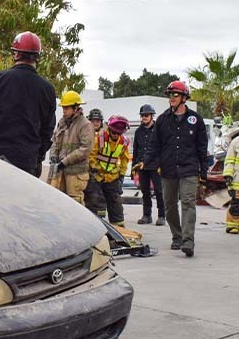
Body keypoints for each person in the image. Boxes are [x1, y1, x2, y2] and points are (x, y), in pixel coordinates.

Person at [0, 31, 56, 176]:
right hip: (26, 161)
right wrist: (37, 157)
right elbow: (47, 130)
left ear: (16, 54)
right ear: (37, 57)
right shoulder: (47, 89)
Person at [135, 81, 208, 257]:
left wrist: (203, 173)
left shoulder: (196, 120)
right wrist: (145, 161)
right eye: (170, 95)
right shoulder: (162, 120)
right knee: (169, 205)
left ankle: (188, 240)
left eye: (175, 95)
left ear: (184, 98)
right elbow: (154, 145)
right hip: (168, 170)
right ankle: (177, 236)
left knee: (188, 203)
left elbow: (202, 148)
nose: (171, 98)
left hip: (189, 169)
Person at [47, 91, 93, 204]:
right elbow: (54, 140)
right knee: (57, 201)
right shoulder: (62, 122)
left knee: (75, 203)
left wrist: (65, 161)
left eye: (66, 108)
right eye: (63, 108)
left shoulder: (85, 125)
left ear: (76, 108)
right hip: (60, 171)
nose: (64, 111)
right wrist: (53, 155)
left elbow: (85, 150)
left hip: (76, 174)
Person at [89, 115, 131, 227]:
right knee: (95, 202)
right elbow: (91, 155)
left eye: (119, 133)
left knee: (115, 203)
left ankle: (119, 228)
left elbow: (125, 159)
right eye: (114, 133)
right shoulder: (100, 138)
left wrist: (121, 175)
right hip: (97, 175)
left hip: (112, 177)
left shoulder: (124, 142)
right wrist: (94, 169)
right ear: (109, 129)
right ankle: (96, 226)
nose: (116, 135)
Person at [133, 104, 165, 226]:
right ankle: (147, 215)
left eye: (146, 115)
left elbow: (163, 148)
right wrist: (134, 168)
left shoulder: (159, 130)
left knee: (159, 191)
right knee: (145, 191)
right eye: (142, 115)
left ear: (152, 116)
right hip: (142, 166)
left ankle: (162, 215)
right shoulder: (138, 131)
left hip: (156, 166)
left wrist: (163, 164)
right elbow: (136, 149)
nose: (144, 118)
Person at [84, 108, 108, 217]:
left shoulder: (105, 135)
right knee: (87, 193)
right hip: (86, 168)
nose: (95, 123)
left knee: (99, 195)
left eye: (98, 121)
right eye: (93, 121)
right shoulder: (85, 133)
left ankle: (100, 217)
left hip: (100, 169)